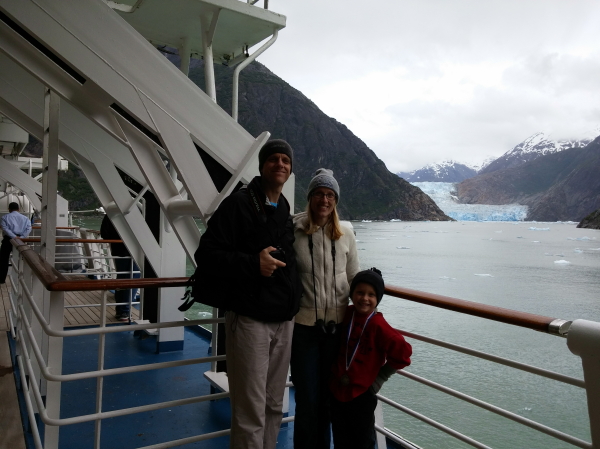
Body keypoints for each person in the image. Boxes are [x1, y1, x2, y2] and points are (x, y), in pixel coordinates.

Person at [195, 139, 302, 449]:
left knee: (273, 406)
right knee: (250, 410)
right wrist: (252, 262)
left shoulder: (283, 207)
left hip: (283, 321)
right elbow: (207, 253)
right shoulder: (239, 204)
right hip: (251, 320)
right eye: (273, 159)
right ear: (262, 165)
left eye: (285, 160)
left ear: (290, 169)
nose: (280, 164)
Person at [291, 168, 359, 449]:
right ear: (310, 197)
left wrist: (369, 308)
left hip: (337, 329)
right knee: (307, 399)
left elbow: (354, 276)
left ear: (336, 201)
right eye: (319, 193)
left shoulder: (346, 234)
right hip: (304, 329)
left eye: (330, 195)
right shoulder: (292, 230)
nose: (324, 199)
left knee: (328, 398)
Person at [330, 268, 412, 449]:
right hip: (337, 391)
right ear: (352, 294)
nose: (364, 298)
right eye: (359, 292)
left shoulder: (379, 326)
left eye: (371, 295)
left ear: (378, 299)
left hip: (362, 395)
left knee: (363, 441)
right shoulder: (346, 314)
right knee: (340, 438)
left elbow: (403, 354)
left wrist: (380, 378)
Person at [100, 215, 139, 322]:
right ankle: (124, 311)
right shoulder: (135, 213)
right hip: (133, 252)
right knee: (132, 281)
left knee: (122, 279)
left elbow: (104, 234)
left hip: (117, 251)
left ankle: (120, 310)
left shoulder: (110, 214)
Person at [0, 202, 32, 284]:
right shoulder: (25, 218)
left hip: (8, 240)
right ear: (19, 209)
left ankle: (1, 279)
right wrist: (21, 237)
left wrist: (13, 236)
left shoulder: (4, 217)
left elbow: (5, 229)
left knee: (3, 260)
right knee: (20, 259)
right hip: (21, 240)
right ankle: (21, 279)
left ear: (9, 209)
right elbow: (28, 228)